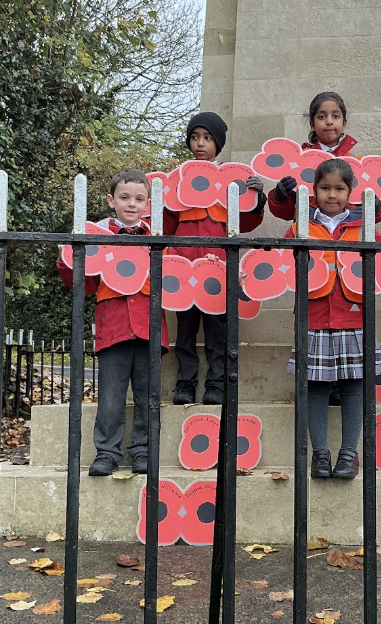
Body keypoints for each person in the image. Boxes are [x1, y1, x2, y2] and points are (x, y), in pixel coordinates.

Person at [57, 169, 170, 476]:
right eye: (124, 197)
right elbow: (84, 283)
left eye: (138, 199)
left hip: (149, 326)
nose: (131, 204)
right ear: (111, 200)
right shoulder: (97, 238)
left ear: (148, 204)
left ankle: (144, 451)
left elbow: (175, 279)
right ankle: (107, 452)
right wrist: (66, 258)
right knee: (110, 395)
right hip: (114, 326)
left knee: (149, 394)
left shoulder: (159, 238)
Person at [286, 158, 381, 479]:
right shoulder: (299, 227)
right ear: (314, 191)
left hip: (355, 318)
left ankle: (348, 454)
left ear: (350, 191)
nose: (332, 195)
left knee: (353, 386)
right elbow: (280, 267)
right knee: (314, 386)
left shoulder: (364, 227)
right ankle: (320, 453)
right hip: (312, 317)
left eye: (340, 188)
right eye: (325, 188)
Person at [163, 112, 266, 405]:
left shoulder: (231, 181)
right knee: (185, 332)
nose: (200, 143)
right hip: (183, 270)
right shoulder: (178, 181)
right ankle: (185, 384)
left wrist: (256, 200)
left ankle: (216, 385)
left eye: (207, 138)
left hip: (218, 270)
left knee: (217, 331)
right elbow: (166, 227)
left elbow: (245, 224)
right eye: (195, 137)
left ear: (218, 144)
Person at [268, 92, 381, 223]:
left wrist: (375, 206)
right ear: (312, 123)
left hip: (348, 235)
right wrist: (280, 197)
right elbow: (286, 213)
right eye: (322, 117)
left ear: (344, 123)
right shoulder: (298, 161)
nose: (329, 121)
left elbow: (373, 217)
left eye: (335, 116)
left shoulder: (356, 162)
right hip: (309, 233)